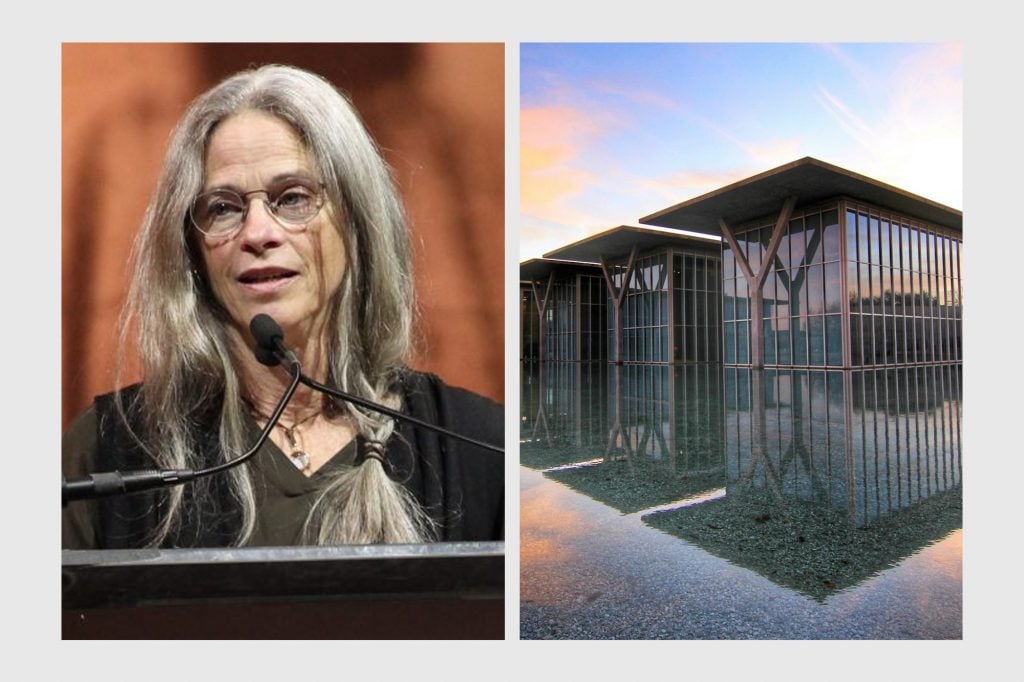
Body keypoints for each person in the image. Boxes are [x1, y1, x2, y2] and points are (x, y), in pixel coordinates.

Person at [62, 64, 504, 549]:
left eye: (292, 198)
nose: (256, 234)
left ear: (357, 224)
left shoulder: (478, 445)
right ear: (191, 250)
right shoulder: (107, 452)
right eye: (223, 207)